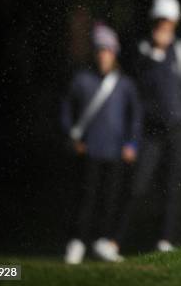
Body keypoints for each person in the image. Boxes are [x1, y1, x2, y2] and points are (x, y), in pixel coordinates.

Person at [118, 0, 181, 252]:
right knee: (136, 185)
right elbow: (131, 88)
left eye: (168, 22)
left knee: (172, 186)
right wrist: (155, 54)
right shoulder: (140, 51)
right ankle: (113, 240)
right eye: (160, 21)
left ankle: (164, 240)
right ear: (153, 21)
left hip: (178, 131)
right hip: (149, 133)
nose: (164, 26)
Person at [61, 23, 142, 264]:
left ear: (114, 53)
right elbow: (66, 109)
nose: (103, 55)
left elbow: (135, 116)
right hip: (89, 151)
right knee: (86, 198)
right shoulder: (82, 80)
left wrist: (132, 144)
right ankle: (76, 242)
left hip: (116, 152)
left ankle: (103, 241)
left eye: (107, 50)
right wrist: (73, 137)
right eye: (99, 50)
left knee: (111, 199)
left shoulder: (124, 84)